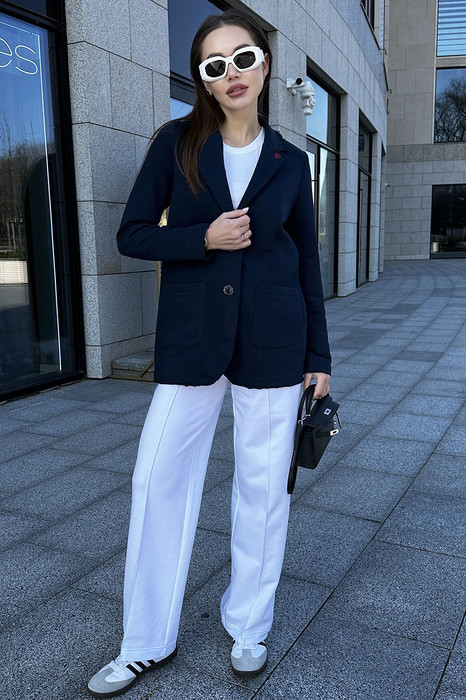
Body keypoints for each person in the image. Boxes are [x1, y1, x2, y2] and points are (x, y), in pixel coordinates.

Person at [87, 9, 331, 698]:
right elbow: (133, 234)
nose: (232, 74)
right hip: (193, 341)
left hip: (275, 341)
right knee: (156, 480)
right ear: (202, 79)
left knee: (264, 490)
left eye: (243, 58)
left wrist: (319, 354)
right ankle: (145, 641)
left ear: (264, 64)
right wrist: (202, 238)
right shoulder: (176, 144)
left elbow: (306, 262)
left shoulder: (292, 161)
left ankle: (248, 624)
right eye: (215, 65)